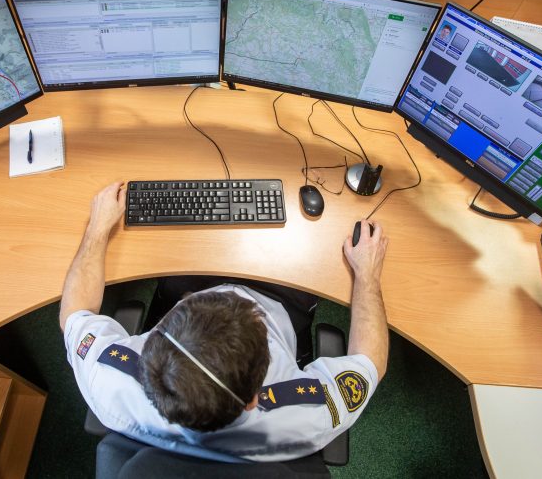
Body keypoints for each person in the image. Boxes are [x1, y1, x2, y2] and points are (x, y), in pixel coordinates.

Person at [60, 182, 389, 462]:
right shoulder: (300, 418)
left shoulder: (113, 384)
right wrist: (367, 274)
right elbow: (371, 362)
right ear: (254, 399)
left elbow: (74, 312)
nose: (231, 292)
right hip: (279, 301)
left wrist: (98, 227)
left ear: (149, 354)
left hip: (196, 288)